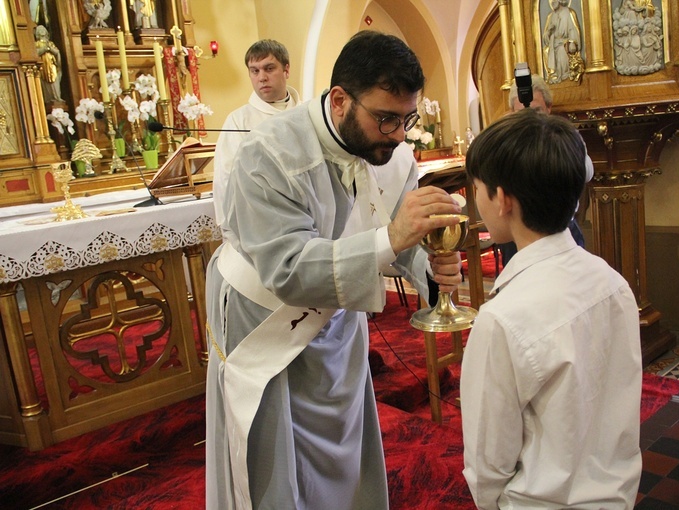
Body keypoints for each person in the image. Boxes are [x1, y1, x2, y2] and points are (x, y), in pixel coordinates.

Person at [205, 31, 463, 509]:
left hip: (340, 314)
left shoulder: (392, 151)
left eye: (408, 119)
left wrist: (430, 269)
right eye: (386, 119)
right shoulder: (269, 154)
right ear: (340, 100)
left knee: (343, 448)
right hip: (264, 319)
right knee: (278, 464)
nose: (399, 135)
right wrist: (394, 237)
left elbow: (389, 225)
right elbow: (287, 268)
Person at [460, 108, 642, 509]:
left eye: (476, 188)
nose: (476, 199)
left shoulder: (501, 319)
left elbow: (488, 460)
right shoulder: (613, 283)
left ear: (503, 198)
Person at [497, 74, 594, 266]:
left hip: (562, 229)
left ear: (549, 108)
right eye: (522, 113)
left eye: (537, 111)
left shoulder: (563, 136)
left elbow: (587, 172)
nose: (530, 119)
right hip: (518, 233)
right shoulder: (505, 142)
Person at [212, 39, 301, 237]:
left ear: (286, 70)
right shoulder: (238, 121)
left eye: (269, 68)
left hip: (309, 219)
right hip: (260, 225)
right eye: (255, 71)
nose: (262, 77)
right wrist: (230, 229)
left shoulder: (307, 114)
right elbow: (225, 178)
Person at [542, 0, 582, 83]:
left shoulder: (568, 13)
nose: (552, 2)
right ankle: (554, 75)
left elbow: (573, 30)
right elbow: (545, 37)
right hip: (553, 44)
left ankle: (564, 75)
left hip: (564, 44)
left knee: (561, 51)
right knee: (546, 51)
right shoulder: (551, 16)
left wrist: (572, 42)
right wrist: (549, 31)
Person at [34, 25, 63, 104]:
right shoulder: (37, 44)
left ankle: (57, 97)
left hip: (52, 65)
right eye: (40, 30)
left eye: (43, 29)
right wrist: (45, 49)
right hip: (43, 66)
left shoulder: (50, 43)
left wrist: (50, 48)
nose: (42, 31)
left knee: (55, 82)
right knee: (46, 84)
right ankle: (49, 98)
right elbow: (36, 53)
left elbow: (57, 52)